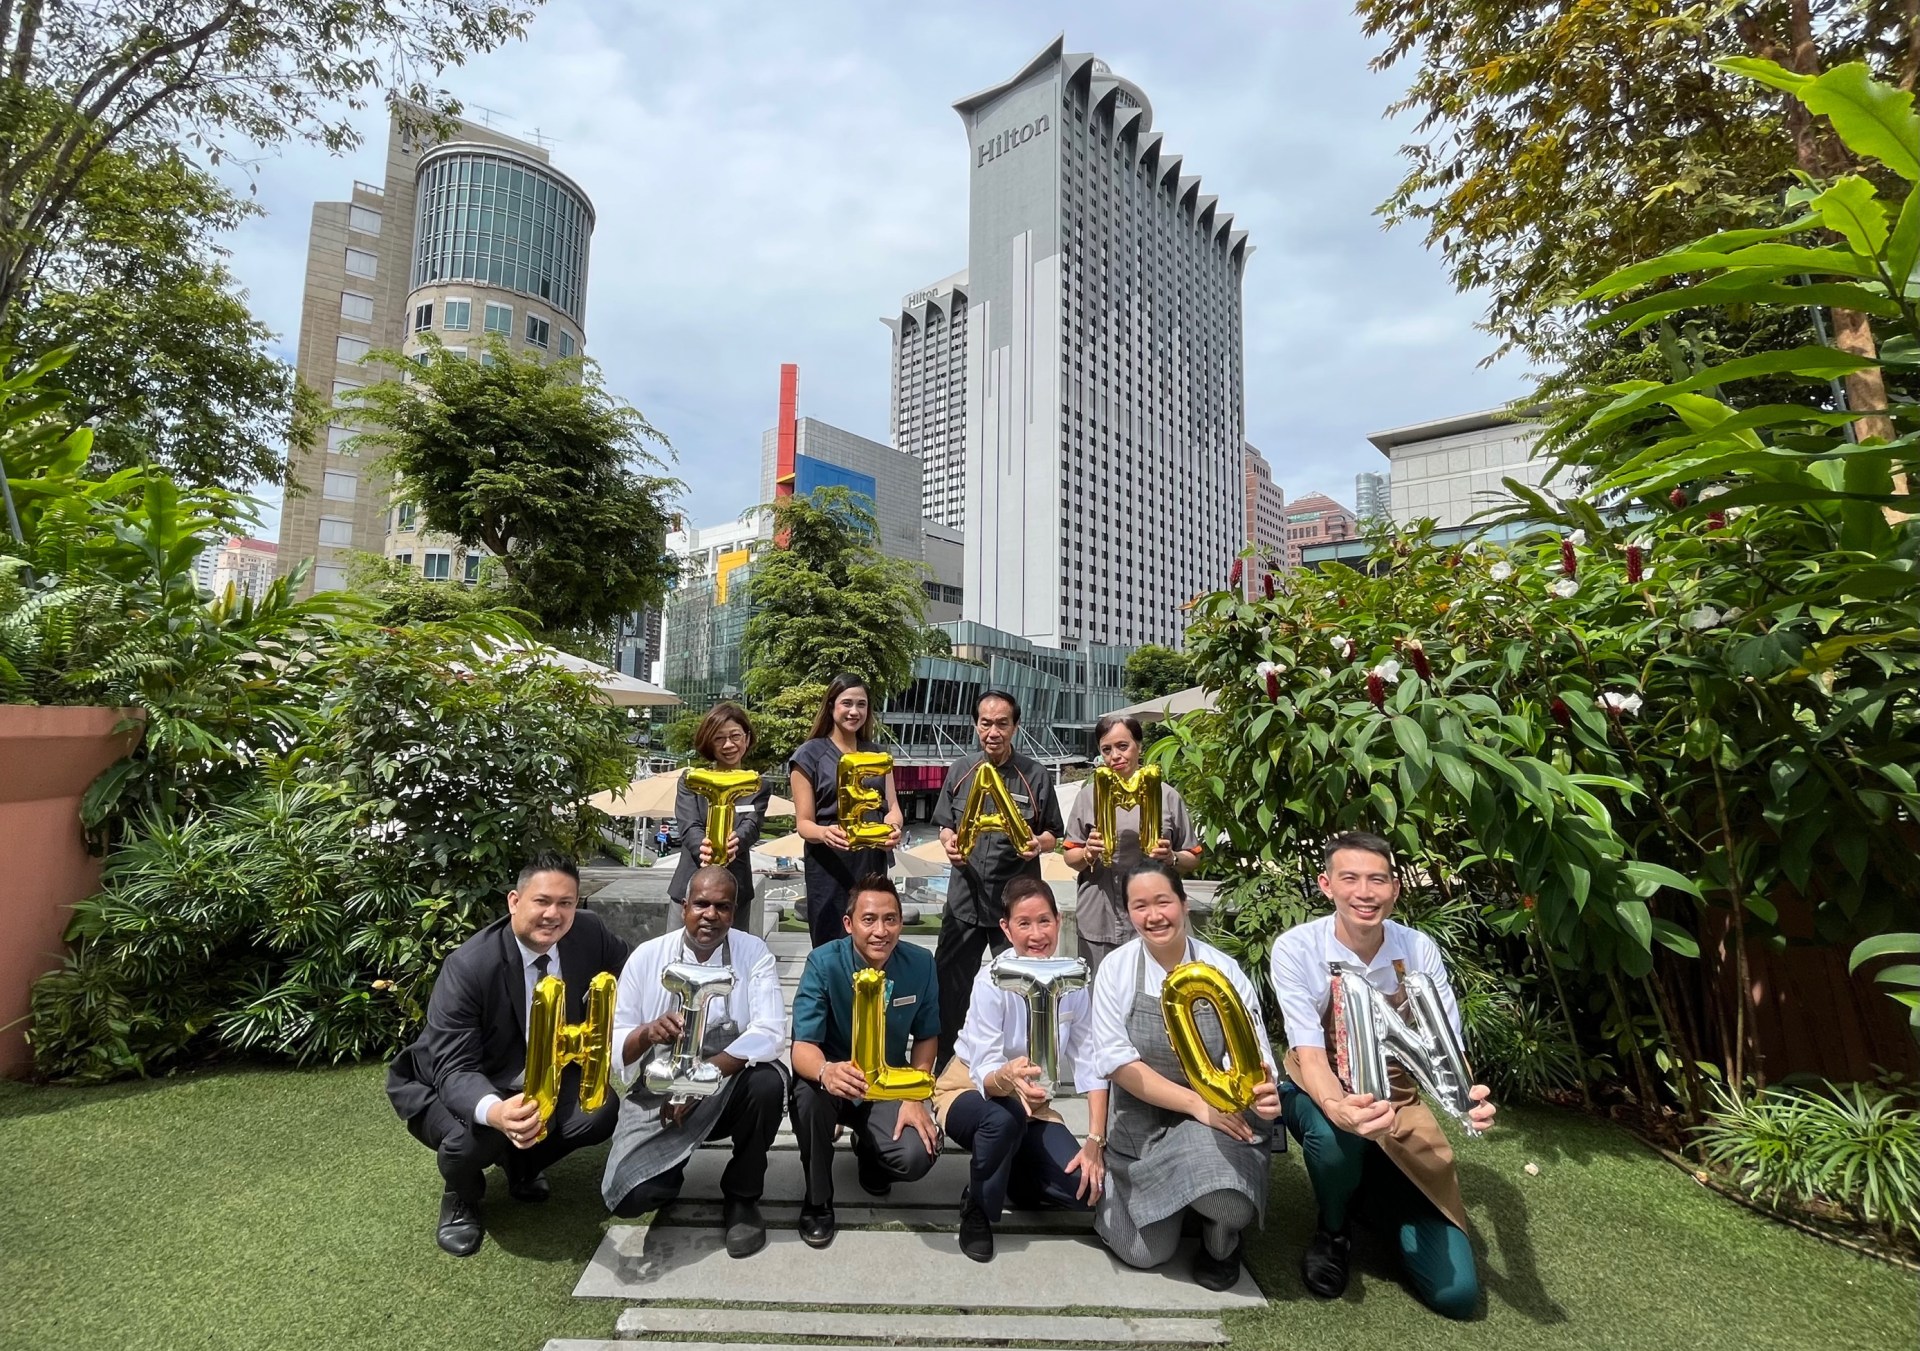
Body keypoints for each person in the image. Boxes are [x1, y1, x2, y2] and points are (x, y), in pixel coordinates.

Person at [1268, 831, 1497, 1320]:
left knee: (1455, 1296)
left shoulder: (1417, 949)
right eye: (1350, 878)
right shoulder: (1296, 948)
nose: (1364, 893)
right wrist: (1339, 1109)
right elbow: (1309, 1053)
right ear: (1326, 885)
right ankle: (1334, 1231)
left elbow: (1447, 1046)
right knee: (1336, 1139)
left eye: (1377, 880)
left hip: (1400, 1100)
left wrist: (1468, 1100)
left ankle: (1370, 1194)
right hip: (1317, 1086)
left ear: (1395, 888)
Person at [386, 851, 629, 1257]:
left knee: (598, 1110)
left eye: (566, 903)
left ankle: (522, 1165)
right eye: (542, 901)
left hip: (544, 1072)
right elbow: (454, 1068)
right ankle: (461, 1196)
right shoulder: (468, 966)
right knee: (469, 1143)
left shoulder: (589, 932)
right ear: (514, 901)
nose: (554, 914)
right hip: (457, 1081)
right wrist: (497, 1112)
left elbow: (634, 971)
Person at [1087, 860, 1281, 1291]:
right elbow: (1118, 1063)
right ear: (1128, 913)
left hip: (1215, 1121)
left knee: (1228, 1203)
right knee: (1143, 1253)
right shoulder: (1117, 969)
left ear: (1184, 903)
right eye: (1140, 906)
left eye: (1163, 902)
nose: (1154, 916)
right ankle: (1166, 1198)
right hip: (1143, 1122)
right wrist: (1196, 1103)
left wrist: (1261, 1093)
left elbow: (1253, 1054)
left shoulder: (1223, 969)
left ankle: (1221, 1239)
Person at [602, 866, 786, 1257]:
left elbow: (769, 1032)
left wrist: (700, 1080)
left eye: (722, 906)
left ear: (733, 912)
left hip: (727, 1086)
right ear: (684, 906)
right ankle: (668, 1174)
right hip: (659, 1091)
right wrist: (648, 1033)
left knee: (768, 1082)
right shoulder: (647, 957)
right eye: (701, 904)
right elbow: (616, 1043)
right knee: (632, 1196)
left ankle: (742, 1197)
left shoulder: (753, 954)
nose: (710, 915)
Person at [933, 875, 1108, 1262]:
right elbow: (985, 1070)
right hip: (972, 1091)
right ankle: (978, 1207)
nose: (1036, 934)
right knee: (1003, 1119)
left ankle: (1009, 1173)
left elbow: (1091, 1060)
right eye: (1024, 923)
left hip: (1035, 1105)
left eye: (1044, 921)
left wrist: (1095, 1141)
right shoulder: (991, 981)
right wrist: (1008, 1077)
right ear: (1006, 928)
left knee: (1084, 1191)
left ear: (1059, 921)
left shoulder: (1074, 980)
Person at [788, 873, 941, 1249]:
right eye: (869, 919)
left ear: (901, 923)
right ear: (849, 923)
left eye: (890, 919)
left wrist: (915, 1096)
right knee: (807, 1099)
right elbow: (802, 1045)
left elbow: (927, 1036)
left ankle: (871, 1153)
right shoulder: (823, 963)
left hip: (887, 1082)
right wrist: (825, 1071)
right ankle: (818, 1199)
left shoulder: (920, 964)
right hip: (833, 1081)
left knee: (917, 1155)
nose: (880, 931)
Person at [932, 690, 1063, 1061]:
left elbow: (1054, 832)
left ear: (1015, 727)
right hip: (964, 900)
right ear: (976, 726)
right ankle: (947, 1067)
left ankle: (1018, 1065)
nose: (993, 732)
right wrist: (948, 840)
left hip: (1015, 905)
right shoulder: (960, 769)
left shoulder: (1035, 774)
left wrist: (1038, 843)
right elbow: (944, 823)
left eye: (1002, 724)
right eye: (986, 723)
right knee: (950, 988)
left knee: (1019, 989)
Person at [1062, 713, 1202, 976]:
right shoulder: (1088, 796)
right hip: (1101, 915)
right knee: (1101, 990)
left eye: (1123, 746)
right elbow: (1070, 855)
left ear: (1139, 746)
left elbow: (1193, 856)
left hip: (1155, 918)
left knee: (1158, 987)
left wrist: (1172, 857)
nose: (1115, 756)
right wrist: (1088, 853)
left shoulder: (1167, 796)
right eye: (1106, 750)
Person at [789, 675, 904, 948]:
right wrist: (823, 833)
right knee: (830, 947)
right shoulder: (808, 755)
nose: (854, 711)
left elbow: (892, 808)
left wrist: (894, 828)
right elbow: (804, 823)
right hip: (829, 867)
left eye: (861, 704)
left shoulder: (877, 753)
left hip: (872, 864)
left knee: (874, 941)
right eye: (847, 703)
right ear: (831, 706)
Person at [669, 703, 773, 935]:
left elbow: (752, 825)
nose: (729, 745)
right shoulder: (692, 780)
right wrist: (704, 848)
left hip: (736, 891)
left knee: (733, 953)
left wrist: (736, 842)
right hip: (689, 885)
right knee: (678, 953)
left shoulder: (758, 785)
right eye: (719, 738)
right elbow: (688, 825)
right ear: (709, 742)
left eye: (735, 736)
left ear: (746, 738)